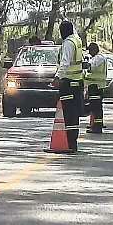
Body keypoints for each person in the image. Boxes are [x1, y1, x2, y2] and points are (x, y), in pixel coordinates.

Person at [49, 20, 84, 153]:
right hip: (76, 82)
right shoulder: (77, 40)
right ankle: (72, 142)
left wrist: (57, 78)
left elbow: (65, 62)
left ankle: (69, 142)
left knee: (68, 113)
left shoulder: (69, 43)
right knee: (73, 114)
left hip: (68, 83)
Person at [85, 42, 107, 134]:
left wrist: (81, 64)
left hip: (96, 86)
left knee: (96, 107)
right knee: (96, 107)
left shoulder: (99, 58)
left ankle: (97, 127)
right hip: (94, 86)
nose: (89, 52)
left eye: (90, 50)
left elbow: (91, 67)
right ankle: (98, 125)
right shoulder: (96, 58)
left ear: (94, 50)